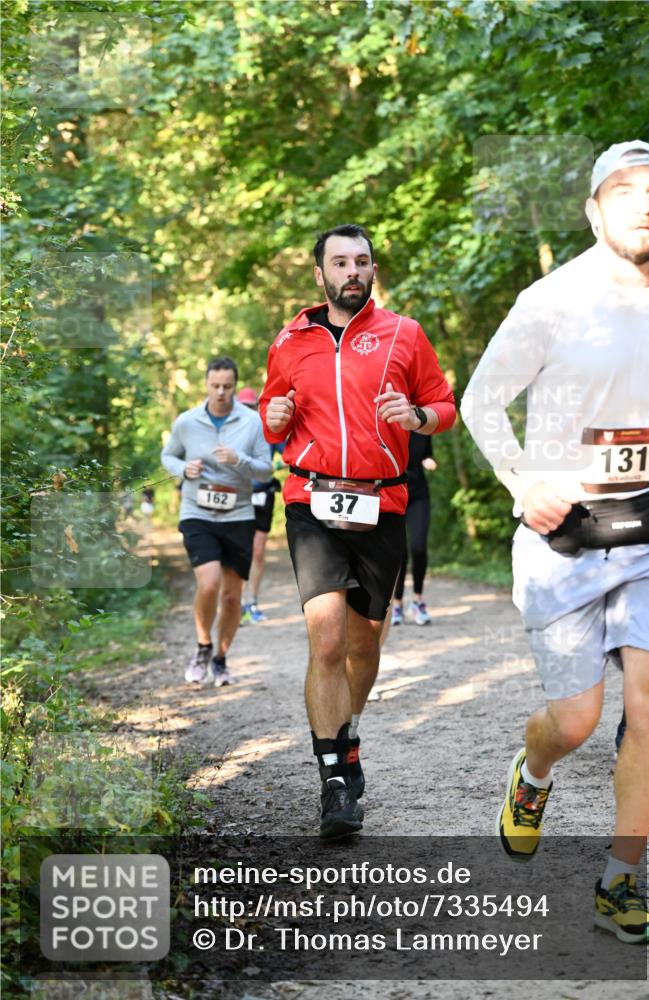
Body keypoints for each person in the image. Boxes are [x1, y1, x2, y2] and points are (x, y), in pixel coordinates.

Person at [461, 140, 649, 943]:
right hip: (564, 539)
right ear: (593, 210)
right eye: (625, 192)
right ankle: (532, 771)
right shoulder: (551, 300)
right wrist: (523, 482)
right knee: (575, 722)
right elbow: (482, 403)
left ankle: (621, 882)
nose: (645, 205)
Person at [260, 223, 456, 838]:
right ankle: (336, 781)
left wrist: (418, 414)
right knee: (326, 641)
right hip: (311, 500)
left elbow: (444, 406)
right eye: (339, 262)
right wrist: (275, 415)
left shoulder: (405, 333)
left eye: (362, 261)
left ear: (372, 271)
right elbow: (271, 422)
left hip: (381, 503)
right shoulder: (290, 340)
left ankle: (345, 737)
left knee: (365, 644)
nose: (352, 271)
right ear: (319, 274)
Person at [161, 357, 272, 686]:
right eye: (215, 386)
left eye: (227, 387)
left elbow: (266, 468)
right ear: (206, 385)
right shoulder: (188, 421)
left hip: (238, 514)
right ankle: (202, 647)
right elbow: (168, 455)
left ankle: (221, 660)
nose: (221, 392)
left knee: (231, 597)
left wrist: (240, 460)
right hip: (198, 512)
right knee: (208, 584)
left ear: (235, 386)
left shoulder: (252, 422)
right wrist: (183, 470)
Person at [236, 386, 284, 623]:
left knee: (257, 551)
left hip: (263, 493)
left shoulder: (267, 430)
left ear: (257, 407)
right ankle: (235, 602)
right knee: (238, 550)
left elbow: (287, 454)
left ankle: (251, 601)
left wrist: (277, 464)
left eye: (251, 407)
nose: (248, 411)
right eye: (243, 407)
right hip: (237, 496)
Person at [391, 431, 438, 626]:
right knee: (399, 552)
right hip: (394, 493)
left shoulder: (422, 426)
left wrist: (428, 460)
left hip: (419, 495)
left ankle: (418, 601)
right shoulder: (388, 423)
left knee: (418, 547)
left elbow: (427, 453)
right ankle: (397, 604)